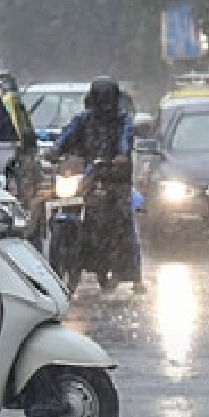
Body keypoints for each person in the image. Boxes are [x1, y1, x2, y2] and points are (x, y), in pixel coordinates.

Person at [45, 77, 146, 294]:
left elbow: (125, 140)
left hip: (115, 178)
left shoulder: (123, 120)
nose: (104, 105)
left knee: (123, 218)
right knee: (63, 205)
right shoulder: (83, 120)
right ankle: (67, 260)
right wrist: (55, 150)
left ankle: (134, 273)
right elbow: (67, 135)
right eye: (101, 99)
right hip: (87, 177)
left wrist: (120, 155)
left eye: (107, 99)